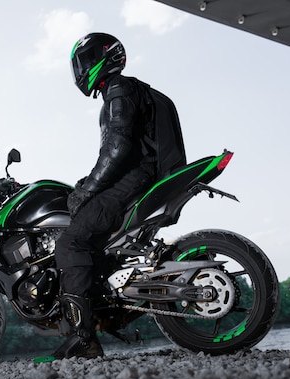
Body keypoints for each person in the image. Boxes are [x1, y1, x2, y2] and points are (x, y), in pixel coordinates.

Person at [51, 32, 185, 360]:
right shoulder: (128, 89)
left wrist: (88, 188)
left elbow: (118, 146)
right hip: (143, 175)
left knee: (70, 243)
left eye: (84, 62)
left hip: (137, 178)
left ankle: (83, 339)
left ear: (103, 57)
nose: (81, 70)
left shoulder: (118, 89)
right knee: (90, 241)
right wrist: (87, 183)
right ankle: (101, 312)